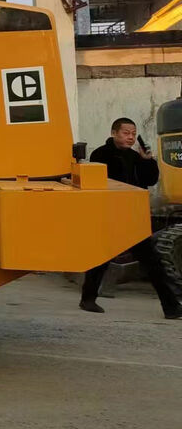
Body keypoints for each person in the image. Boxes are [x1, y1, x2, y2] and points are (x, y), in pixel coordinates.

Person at [80, 117, 182, 318]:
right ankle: (88, 299)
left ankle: (170, 307)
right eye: (126, 133)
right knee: (101, 259)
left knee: (152, 262)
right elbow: (100, 185)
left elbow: (150, 180)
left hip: (134, 217)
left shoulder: (136, 156)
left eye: (134, 134)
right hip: (112, 215)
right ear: (114, 133)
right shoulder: (100, 154)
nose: (131, 137)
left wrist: (148, 161)